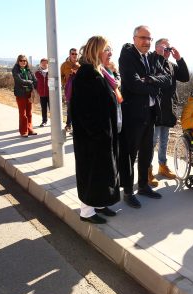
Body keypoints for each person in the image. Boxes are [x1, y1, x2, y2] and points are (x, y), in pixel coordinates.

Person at [118, 25, 171, 208]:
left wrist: (148, 79)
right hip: (133, 115)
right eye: (143, 38)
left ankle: (143, 186)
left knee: (147, 153)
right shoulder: (127, 56)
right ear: (134, 38)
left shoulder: (152, 57)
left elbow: (167, 79)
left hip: (150, 113)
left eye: (149, 39)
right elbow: (132, 85)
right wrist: (153, 84)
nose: (146, 42)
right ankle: (127, 191)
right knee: (130, 155)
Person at [70, 36, 120, 224]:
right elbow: (82, 110)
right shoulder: (86, 74)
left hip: (103, 134)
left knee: (103, 172)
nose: (110, 52)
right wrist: (96, 134)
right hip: (92, 137)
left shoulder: (99, 71)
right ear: (97, 50)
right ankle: (87, 211)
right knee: (91, 172)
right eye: (107, 49)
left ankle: (99, 203)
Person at [149, 38, 190, 185]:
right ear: (157, 48)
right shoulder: (151, 60)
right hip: (155, 108)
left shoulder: (171, 65)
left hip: (168, 108)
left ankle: (162, 166)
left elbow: (185, 77)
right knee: (152, 141)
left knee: (165, 140)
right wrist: (159, 55)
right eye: (163, 47)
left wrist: (179, 58)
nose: (167, 50)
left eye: (168, 48)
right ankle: (148, 170)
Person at [12, 54, 38, 137]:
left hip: (29, 94)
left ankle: (30, 129)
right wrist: (30, 82)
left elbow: (35, 80)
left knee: (29, 113)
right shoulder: (15, 70)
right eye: (21, 60)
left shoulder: (28, 70)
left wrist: (31, 83)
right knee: (23, 113)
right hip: (20, 94)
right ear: (18, 61)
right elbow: (19, 81)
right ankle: (23, 131)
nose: (23, 62)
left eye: (25, 61)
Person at [60, 48, 80, 133]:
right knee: (70, 108)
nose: (74, 55)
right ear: (69, 54)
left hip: (79, 89)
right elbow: (60, 75)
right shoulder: (64, 65)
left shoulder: (80, 64)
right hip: (69, 89)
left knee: (78, 108)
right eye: (73, 54)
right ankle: (68, 124)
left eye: (76, 54)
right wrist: (65, 82)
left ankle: (77, 127)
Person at [35, 58, 50, 127]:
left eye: (46, 63)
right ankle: (44, 121)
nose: (44, 64)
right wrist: (38, 90)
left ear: (48, 64)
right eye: (43, 63)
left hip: (50, 94)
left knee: (52, 108)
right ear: (40, 64)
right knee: (43, 108)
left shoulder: (51, 72)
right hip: (42, 94)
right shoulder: (37, 73)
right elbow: (35, 82)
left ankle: (54, 121)